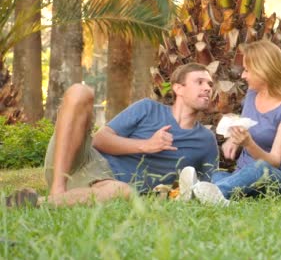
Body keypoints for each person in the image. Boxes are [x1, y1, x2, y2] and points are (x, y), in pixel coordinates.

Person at [5, 63, 218, 208]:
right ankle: (57, 189)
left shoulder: (206, 141)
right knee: (80, 91)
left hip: (107, 186)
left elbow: (209, 185)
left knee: (123, 191)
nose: (208, 88)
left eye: (210, 84)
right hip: (81, 159)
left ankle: (41, 202)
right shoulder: (147, 108)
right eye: (199, 82)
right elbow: (100, 139)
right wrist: (145, 145)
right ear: (178, 88)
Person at [178, 40, 281, 205]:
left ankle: (208, 194)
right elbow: (246, 124)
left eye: (247, 70)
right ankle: (212, 194)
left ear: (264, 70)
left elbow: (275, 161)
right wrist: (233, 139)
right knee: (217, 175)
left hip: (276, 179)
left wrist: (248, 144)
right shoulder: (252, 95)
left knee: (259, 168)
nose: (243, 75)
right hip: (242, 176)